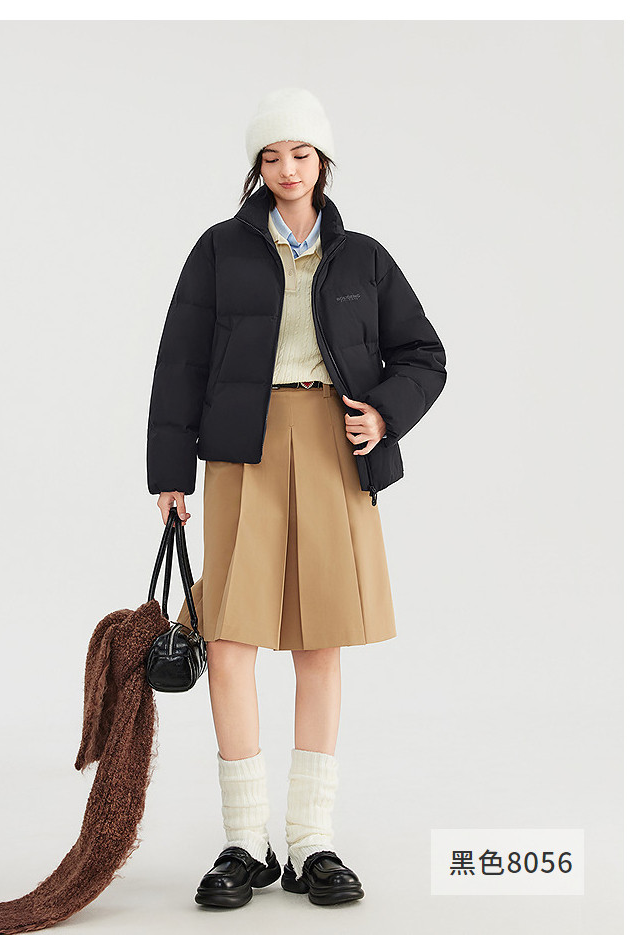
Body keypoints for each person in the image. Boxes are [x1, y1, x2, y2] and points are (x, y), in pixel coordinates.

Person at [146, 87, 447, 909]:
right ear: (258, 166)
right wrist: (169, 471)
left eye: (301, 154)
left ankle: (312, 841)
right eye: (272, 156)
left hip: (331, 449)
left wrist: (383, 412)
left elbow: (424, 353)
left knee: (321, 645)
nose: (287, 168)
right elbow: (179, 360)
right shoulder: (219, 250)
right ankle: (245, 841)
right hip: (238, 451)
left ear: (323, 161)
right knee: (230, 638)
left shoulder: (364, 258)